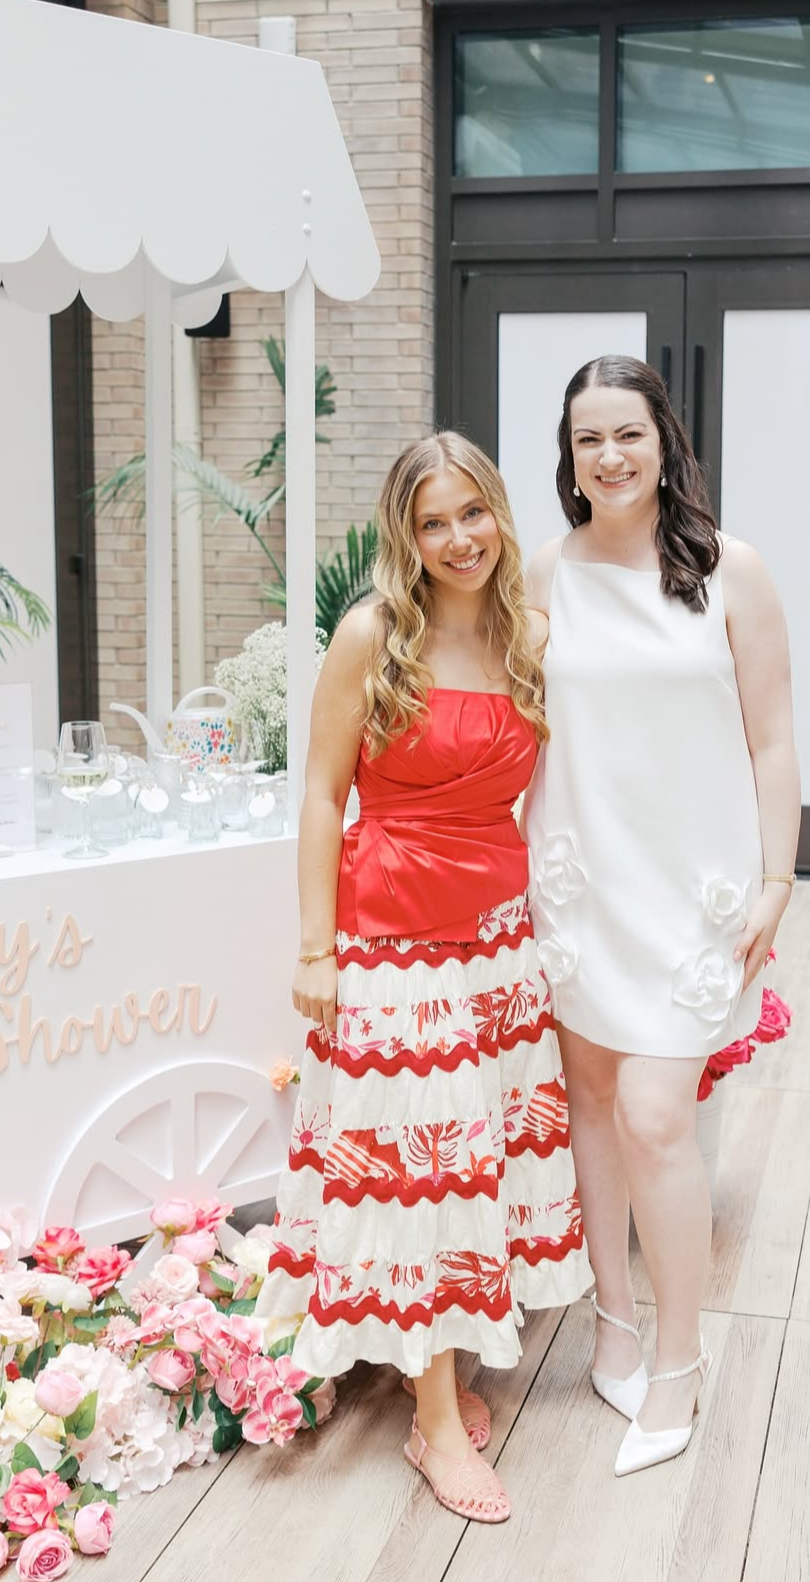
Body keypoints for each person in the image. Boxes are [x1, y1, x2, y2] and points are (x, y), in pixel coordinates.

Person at [255, 432, 592, 1524]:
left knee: (471, 1166)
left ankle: (432, 1372)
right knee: (418, 1176)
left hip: (497, 938)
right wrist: (316, 949)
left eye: (473, 514)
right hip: (390, 940)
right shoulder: (371, 634)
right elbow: (320, 795)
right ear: (407, 534)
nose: (458, 540)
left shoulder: (530, 634)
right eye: (432, 521)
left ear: (499, 513)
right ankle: (438, 1421)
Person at [524, 354, 800, 1477]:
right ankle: (615, 1322)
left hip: (698, 888)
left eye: (628, 433)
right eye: (589, 438)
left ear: (665, 441)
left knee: (652, 1111)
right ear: (569, 456)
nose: (611, 456)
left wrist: (778, 877)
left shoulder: (734, 571)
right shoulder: (541, 571)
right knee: (591, 1100)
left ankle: (678, 1360)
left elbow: (776, 736)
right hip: (584, 874)